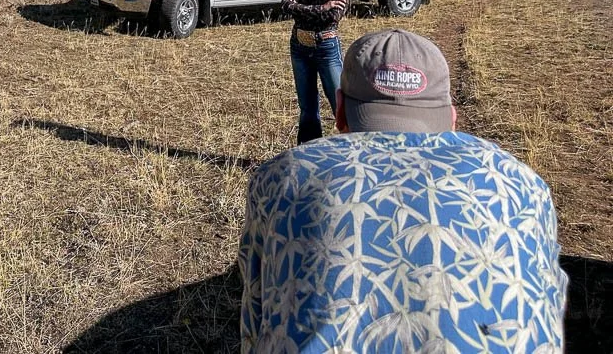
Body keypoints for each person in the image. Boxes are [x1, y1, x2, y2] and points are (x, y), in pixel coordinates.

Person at [239, 29, 567, 353]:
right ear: (451, 118)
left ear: (340, 110)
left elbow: (256, 318)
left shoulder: (281, 178)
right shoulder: (523, 185)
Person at [279, 0, 354, 144]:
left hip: (326, 46)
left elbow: (335, 15)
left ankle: (352, 150)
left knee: (340, 104)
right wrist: (322, 7)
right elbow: (285, 5)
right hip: (299, 45)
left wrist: (302, 7)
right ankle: (308, 152)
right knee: (307, 107)